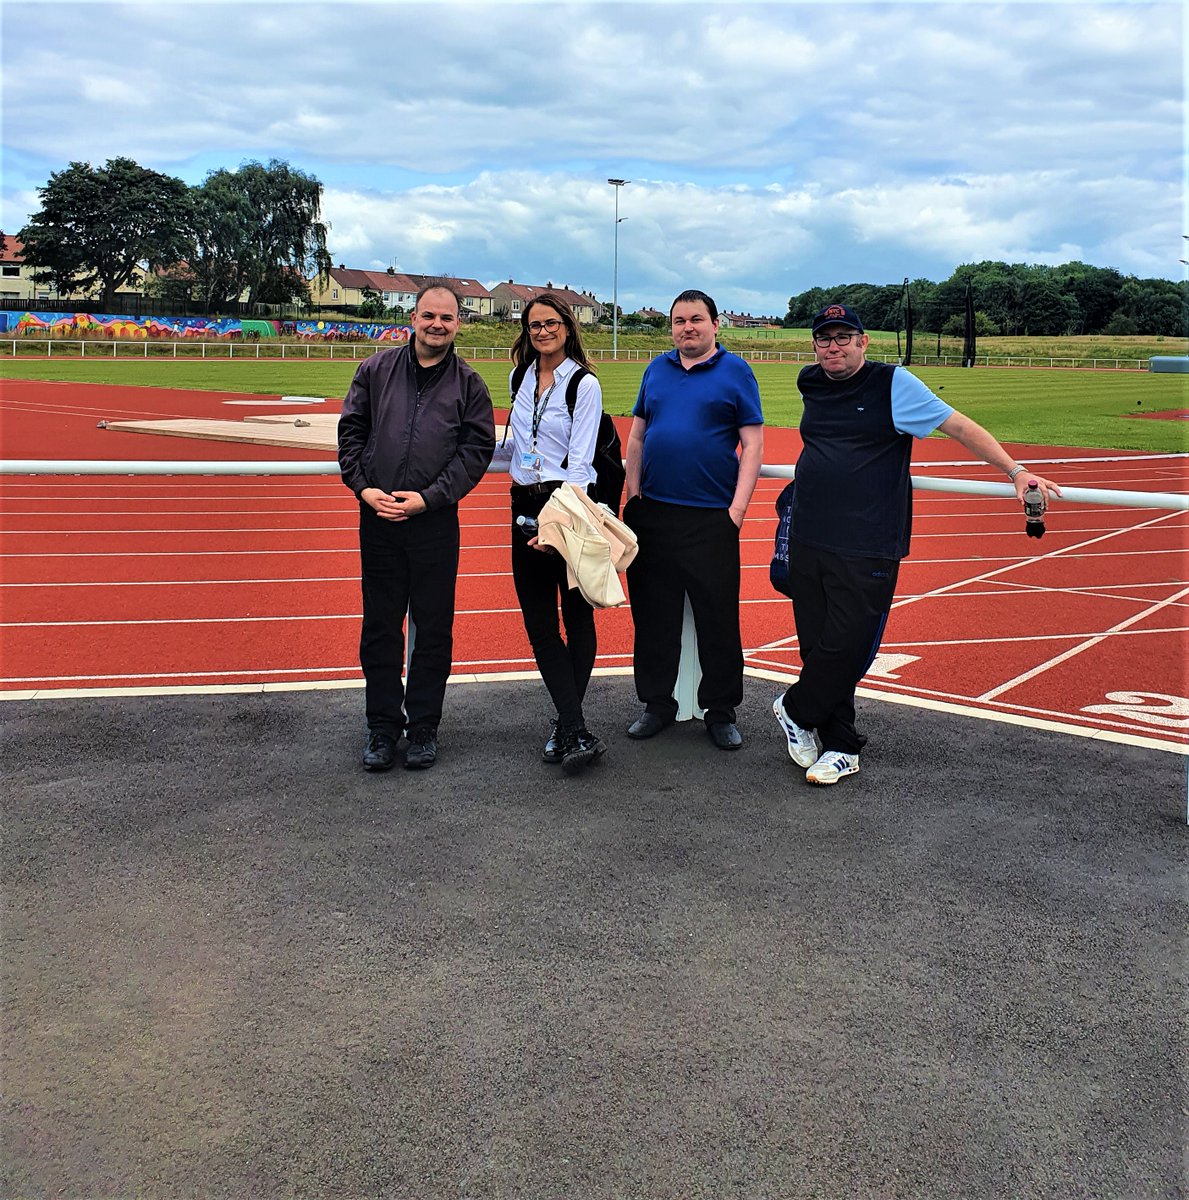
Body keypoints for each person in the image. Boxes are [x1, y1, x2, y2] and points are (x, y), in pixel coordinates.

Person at [773, 302, 1062, 785]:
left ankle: (796, 707)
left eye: (844, 337)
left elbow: (960, 426)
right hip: (808, 535)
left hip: (868, 541)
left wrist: (1015, 471)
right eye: (825, 338)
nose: (833, 347)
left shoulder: (894, 385)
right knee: (818, 645)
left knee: (851, 644)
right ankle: (841, 745)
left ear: (864, 342)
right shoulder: (811, 381)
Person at [338, 282, 495, 772]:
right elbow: (351, 435)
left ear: (458, 323)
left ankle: (424, 725)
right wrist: (365, 489)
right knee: (381, 628)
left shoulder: (469, 384)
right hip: (379, 519)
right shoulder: (375, 371)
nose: (437, 325)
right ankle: (382, 727)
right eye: (429, 315)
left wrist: (428, 498)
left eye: (447, 318)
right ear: (413, 317)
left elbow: (475, 453)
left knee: (433, 629)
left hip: (434, 524)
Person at [622, 289, 764, 750]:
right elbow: (638, 437)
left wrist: (736, 513)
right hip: (654, 513)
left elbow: (753, 446)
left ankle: (719, 711)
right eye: (679, 320)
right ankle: (657, 704)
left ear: (715, 324)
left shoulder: (736, 371)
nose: (688, 327)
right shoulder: (656, 370)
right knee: (653, 616)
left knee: (718, 618)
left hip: (711, 519)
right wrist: (634, 496)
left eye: (696, 319)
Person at [490, 294, 608, 774]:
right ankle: (573, 724)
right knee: (539, 623)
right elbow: (517, 446)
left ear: (568, 326)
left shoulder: (584, 384)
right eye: (534, 325)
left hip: (565, 504)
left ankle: (569, 726)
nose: (542, 331)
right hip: (523, 502)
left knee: (576, 617)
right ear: (526, 330)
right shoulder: (519, 376)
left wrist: (554, 524)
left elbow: (580, 466)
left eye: (551, 323)